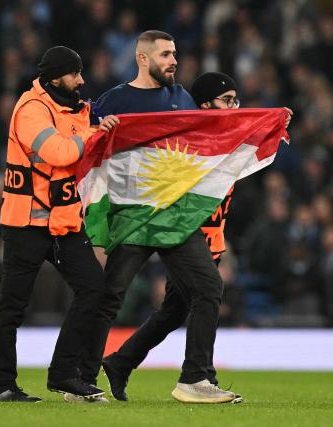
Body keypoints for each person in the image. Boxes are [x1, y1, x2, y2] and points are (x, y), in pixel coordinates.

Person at [100, 72, 291, 402]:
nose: (234, 106)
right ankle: (197, 376)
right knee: (208, 290)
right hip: (186, 235)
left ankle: (121, 362)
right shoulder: (189, 142)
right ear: (205, 105)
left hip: (210, 237)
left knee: (174, 310)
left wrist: (272, 123)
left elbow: (252, 144)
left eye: (236, 100)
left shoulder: (225, 137)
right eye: (227, 100)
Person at [85, 31, 238, 404]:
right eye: (166, 54)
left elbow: (200, 145)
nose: (173, 60)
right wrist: (96, 133)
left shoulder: (182, 98)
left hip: (172, 217)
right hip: (134, 216)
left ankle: (195, 378)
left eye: (175, 54)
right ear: (143, 58)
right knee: (110, 296)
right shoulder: (114, 100)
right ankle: (83, 376)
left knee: (206, 290)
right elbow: (86, 148)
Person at [0, 46, 119, 403]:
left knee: (93, 289)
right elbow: (59, 153)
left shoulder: (73, 110)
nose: (82, 80)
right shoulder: (31, 109)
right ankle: (1, 386)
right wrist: (91, 133)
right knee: (13, 304)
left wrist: (96, 129)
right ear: (56, 77)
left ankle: (63, 376)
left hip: (62, 222)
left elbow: (82, 140)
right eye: (75, 74)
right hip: (26, 222)